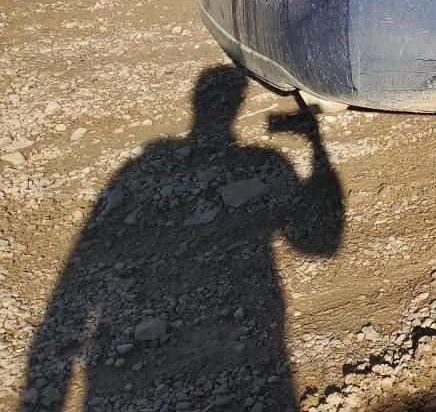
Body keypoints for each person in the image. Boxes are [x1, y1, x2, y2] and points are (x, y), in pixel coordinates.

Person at [21, 65, 344, 411]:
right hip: (254, 342)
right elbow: (321, 245)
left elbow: (79, 277)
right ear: (238, 105)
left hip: (137, 375)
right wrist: (316, 145)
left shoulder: (137, 166)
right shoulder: (266, 160)